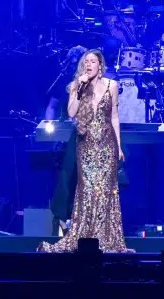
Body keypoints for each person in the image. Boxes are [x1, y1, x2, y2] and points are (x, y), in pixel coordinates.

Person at [41, 49, 130, 252]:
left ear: (100, 65)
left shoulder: (112, 85)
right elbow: (72, 112)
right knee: (88, 190)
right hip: (86, 145)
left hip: (107, 144)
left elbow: (114, 116)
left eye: (93, 61)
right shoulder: (75, 86)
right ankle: (86, 236)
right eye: (86, 62)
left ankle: (106, 236)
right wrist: (79, 89)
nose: (89, 64)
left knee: (107, 191)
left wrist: (118, 145)